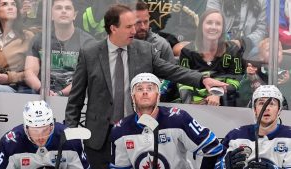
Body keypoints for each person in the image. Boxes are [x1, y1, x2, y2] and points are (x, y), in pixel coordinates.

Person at [65, 4, 228, 169]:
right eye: (128, 27)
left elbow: (173, 71)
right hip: (99, 137)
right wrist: (70, 133)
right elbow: (75, 98)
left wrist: (202, 80)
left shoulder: (145, 50)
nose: (134, 31)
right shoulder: (89, 53)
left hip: (134, 133)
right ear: (113, 28)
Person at [110, 73, 223, 169]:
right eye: (139, 89)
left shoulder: (178, 118)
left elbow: (212, 147)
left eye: (150, 88)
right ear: (132, 96)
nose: (145, 92)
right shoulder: (120, 130)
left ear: (158, 95)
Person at [24, 0, 95, 96]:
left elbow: (86, 77)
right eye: (58, 8)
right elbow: (29, 72)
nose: (63, 11)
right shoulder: (40, 39)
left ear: (74, 15)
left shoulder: (88, 42)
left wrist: (61, 93)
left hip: (76, 99)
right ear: (51, 15)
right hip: (44, 96)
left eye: (68, 8)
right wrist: (43, 90)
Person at [0, 100, 90, 168]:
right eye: (35, 131)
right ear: (26, 128)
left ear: (51, 126)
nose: (40, 137)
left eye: (44, 130)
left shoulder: (71, 140)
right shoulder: (10, 142)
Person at [178, 9, 244, 106]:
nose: (213, 27)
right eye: (209, 23)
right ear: (201, 26)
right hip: (193, 105)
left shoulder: (233, 50)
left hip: (225, 104)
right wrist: (191, 104)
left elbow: (236, 81)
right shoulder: (187, 51)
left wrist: (217, 94)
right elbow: (183, 82)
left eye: (218, 24)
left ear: (223, 28)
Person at [216, 85, 291, 168]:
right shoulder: (234, 136)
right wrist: (225, 166)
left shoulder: (289, 136)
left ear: (279, 110)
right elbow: (215, 165)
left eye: (271, 104)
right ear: (254, 109)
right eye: (261, 103)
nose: (266, 108)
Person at [0, 0, 34, 93]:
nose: (10, 7)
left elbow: (33, 72)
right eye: (5, 4)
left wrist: (8, 78)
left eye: (13, 4)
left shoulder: (27, 36)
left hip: (16, 88)